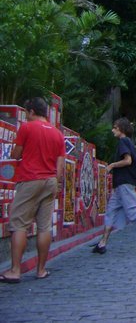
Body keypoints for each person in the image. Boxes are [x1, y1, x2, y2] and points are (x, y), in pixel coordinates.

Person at [0, 98, 65, 283]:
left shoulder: (27, 128)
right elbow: (60, 165)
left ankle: (15, 270)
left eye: (27, 113)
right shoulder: (57, 134)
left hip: (30, 179)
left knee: (19, 224)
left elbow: (16, 154)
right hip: (50, 180)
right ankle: (41, 269)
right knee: (44, 226)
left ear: (30, 111)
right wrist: (56, 182)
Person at [92, 118, 136, 254]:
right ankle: (102, 243)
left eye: (115, 128)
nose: (112, 130)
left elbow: (127, 160)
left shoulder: (123, 141)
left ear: (121, 129)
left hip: (124, 183)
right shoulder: (127, 142)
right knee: (111, 211)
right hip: (121, 184)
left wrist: (112, 165)